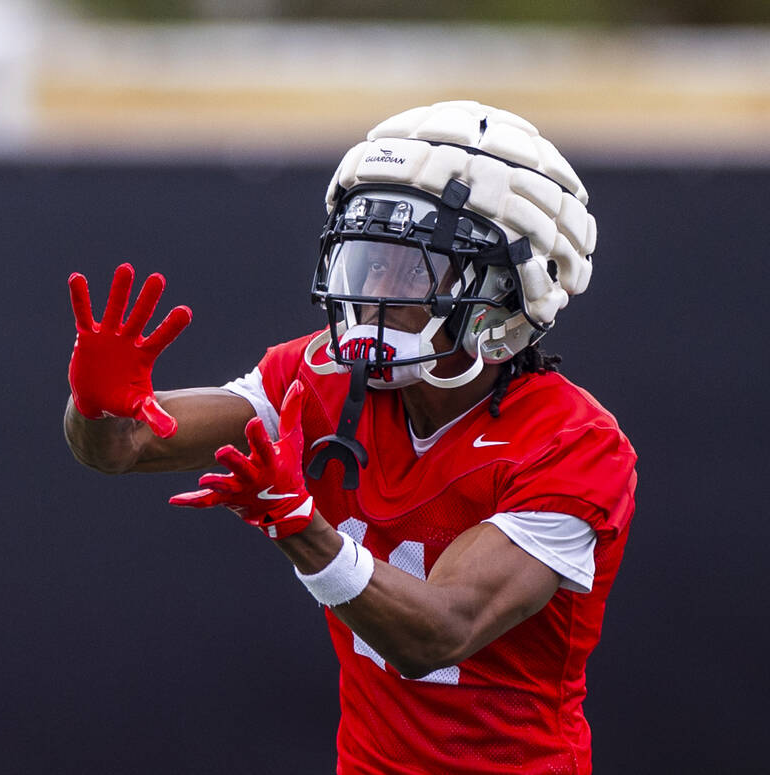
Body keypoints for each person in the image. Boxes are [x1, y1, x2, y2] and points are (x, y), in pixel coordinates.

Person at [62, 100, 636, 774]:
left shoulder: (573, 443)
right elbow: (131, 446)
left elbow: (438, 631)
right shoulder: (324, 375)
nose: (373, 293)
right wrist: (99, 408)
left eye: (411, 268)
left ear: (507, 292)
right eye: (368, 260)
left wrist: (307, 531)